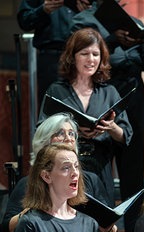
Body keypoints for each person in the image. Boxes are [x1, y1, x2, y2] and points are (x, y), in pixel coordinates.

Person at [70, 0, 144, 232]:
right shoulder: (83, 20)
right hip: (99, 97)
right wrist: (113, 38)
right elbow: (83, 58)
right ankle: (97, 229)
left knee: (133, 171)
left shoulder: (135, 23)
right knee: (97, 169)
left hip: (132, 98)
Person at [38, 27, 133, 202]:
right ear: (72, 57)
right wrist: (72, 131)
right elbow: (41, 131)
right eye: (84, 53)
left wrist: (111, 127)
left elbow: (125, 136)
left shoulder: (109, 92)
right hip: (64, 168)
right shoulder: (56, 90)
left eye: (96, 54)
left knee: (100, 222)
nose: (91, 60)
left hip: (101, 168)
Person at [2, 112, 111, 232]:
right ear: (44, 141)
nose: (68, 138)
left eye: (72, 133)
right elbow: (6, 230)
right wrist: (32, 211)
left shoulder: (91, 180)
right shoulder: (27, 183)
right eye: (60, 133)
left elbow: (109, 222)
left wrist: (109, 229)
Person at [17, 0, 91, 108]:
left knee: (83, 107)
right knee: (52, 109)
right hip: (52, 58)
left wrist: (89, 12)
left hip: (83, 55)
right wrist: (43, 10)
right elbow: (24, 21)